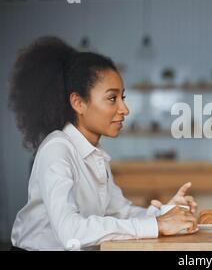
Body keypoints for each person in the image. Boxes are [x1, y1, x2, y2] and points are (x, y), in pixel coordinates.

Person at [9, 37, 198, 251]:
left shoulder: (96, 154)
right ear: (78, 103)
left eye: (122, 98)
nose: (124, 109)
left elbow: (122, 213)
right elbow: (70, 233)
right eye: (112, 99)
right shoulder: (57, 149)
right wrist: (156, 225)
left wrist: (166, 212)